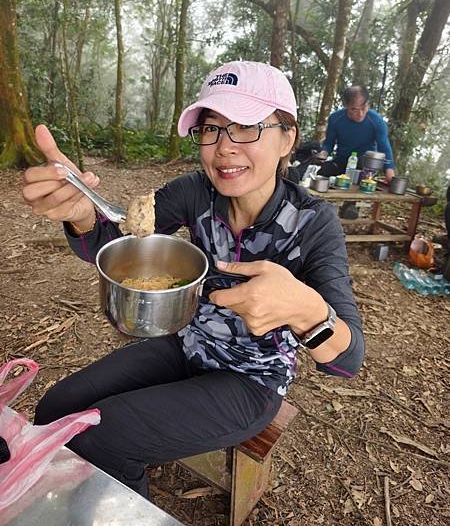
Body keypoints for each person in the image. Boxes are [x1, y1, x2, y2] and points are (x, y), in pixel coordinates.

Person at [22, 60, 364, 499]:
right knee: (55, 408)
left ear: (287, 138)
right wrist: (82, 214)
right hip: (185, 343)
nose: (223, 147)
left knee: (103, 437)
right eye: (211, 129)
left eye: (245, 127)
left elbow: (347, 358)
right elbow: (115, 243)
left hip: (251, 380)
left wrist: (308, 312)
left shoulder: (314, 225)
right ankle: (56, 499)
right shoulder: (194, 192)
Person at [316, 85, 396, 182]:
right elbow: (329, 143)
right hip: (342, 161)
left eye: (364, 108)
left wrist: (389, 172)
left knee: (363, 166)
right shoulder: (335, 119)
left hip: (365, 166)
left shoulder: (376, 121)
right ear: (346, 106)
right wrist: (324, 153)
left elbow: (384, 148)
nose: (360, 113)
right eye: (354, 109)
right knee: (322, 173)